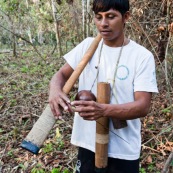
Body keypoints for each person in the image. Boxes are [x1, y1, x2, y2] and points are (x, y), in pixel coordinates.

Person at [48, 0, 158, 172]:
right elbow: (61, 75)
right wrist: (55, 90)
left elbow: (142, 106)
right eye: (98, 17)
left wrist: (103, 110)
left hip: (123, 151)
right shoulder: (87, 46)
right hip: (88, 145)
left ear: (126, 17)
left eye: (111, 16)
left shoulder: (142, 56)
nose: (103, 24)